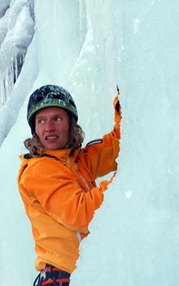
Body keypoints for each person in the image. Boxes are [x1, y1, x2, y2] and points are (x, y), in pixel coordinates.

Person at [17, 84, 121, 285]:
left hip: (78, 274)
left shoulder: (76, 160)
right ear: (35, 130)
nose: (49, 128)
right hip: (61, 278)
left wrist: (124, 106)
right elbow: (82, 212)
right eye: (41, 121)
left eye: (57, 118)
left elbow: (116, 146)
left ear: (70, 124)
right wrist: (124, 181)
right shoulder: (38, 170)